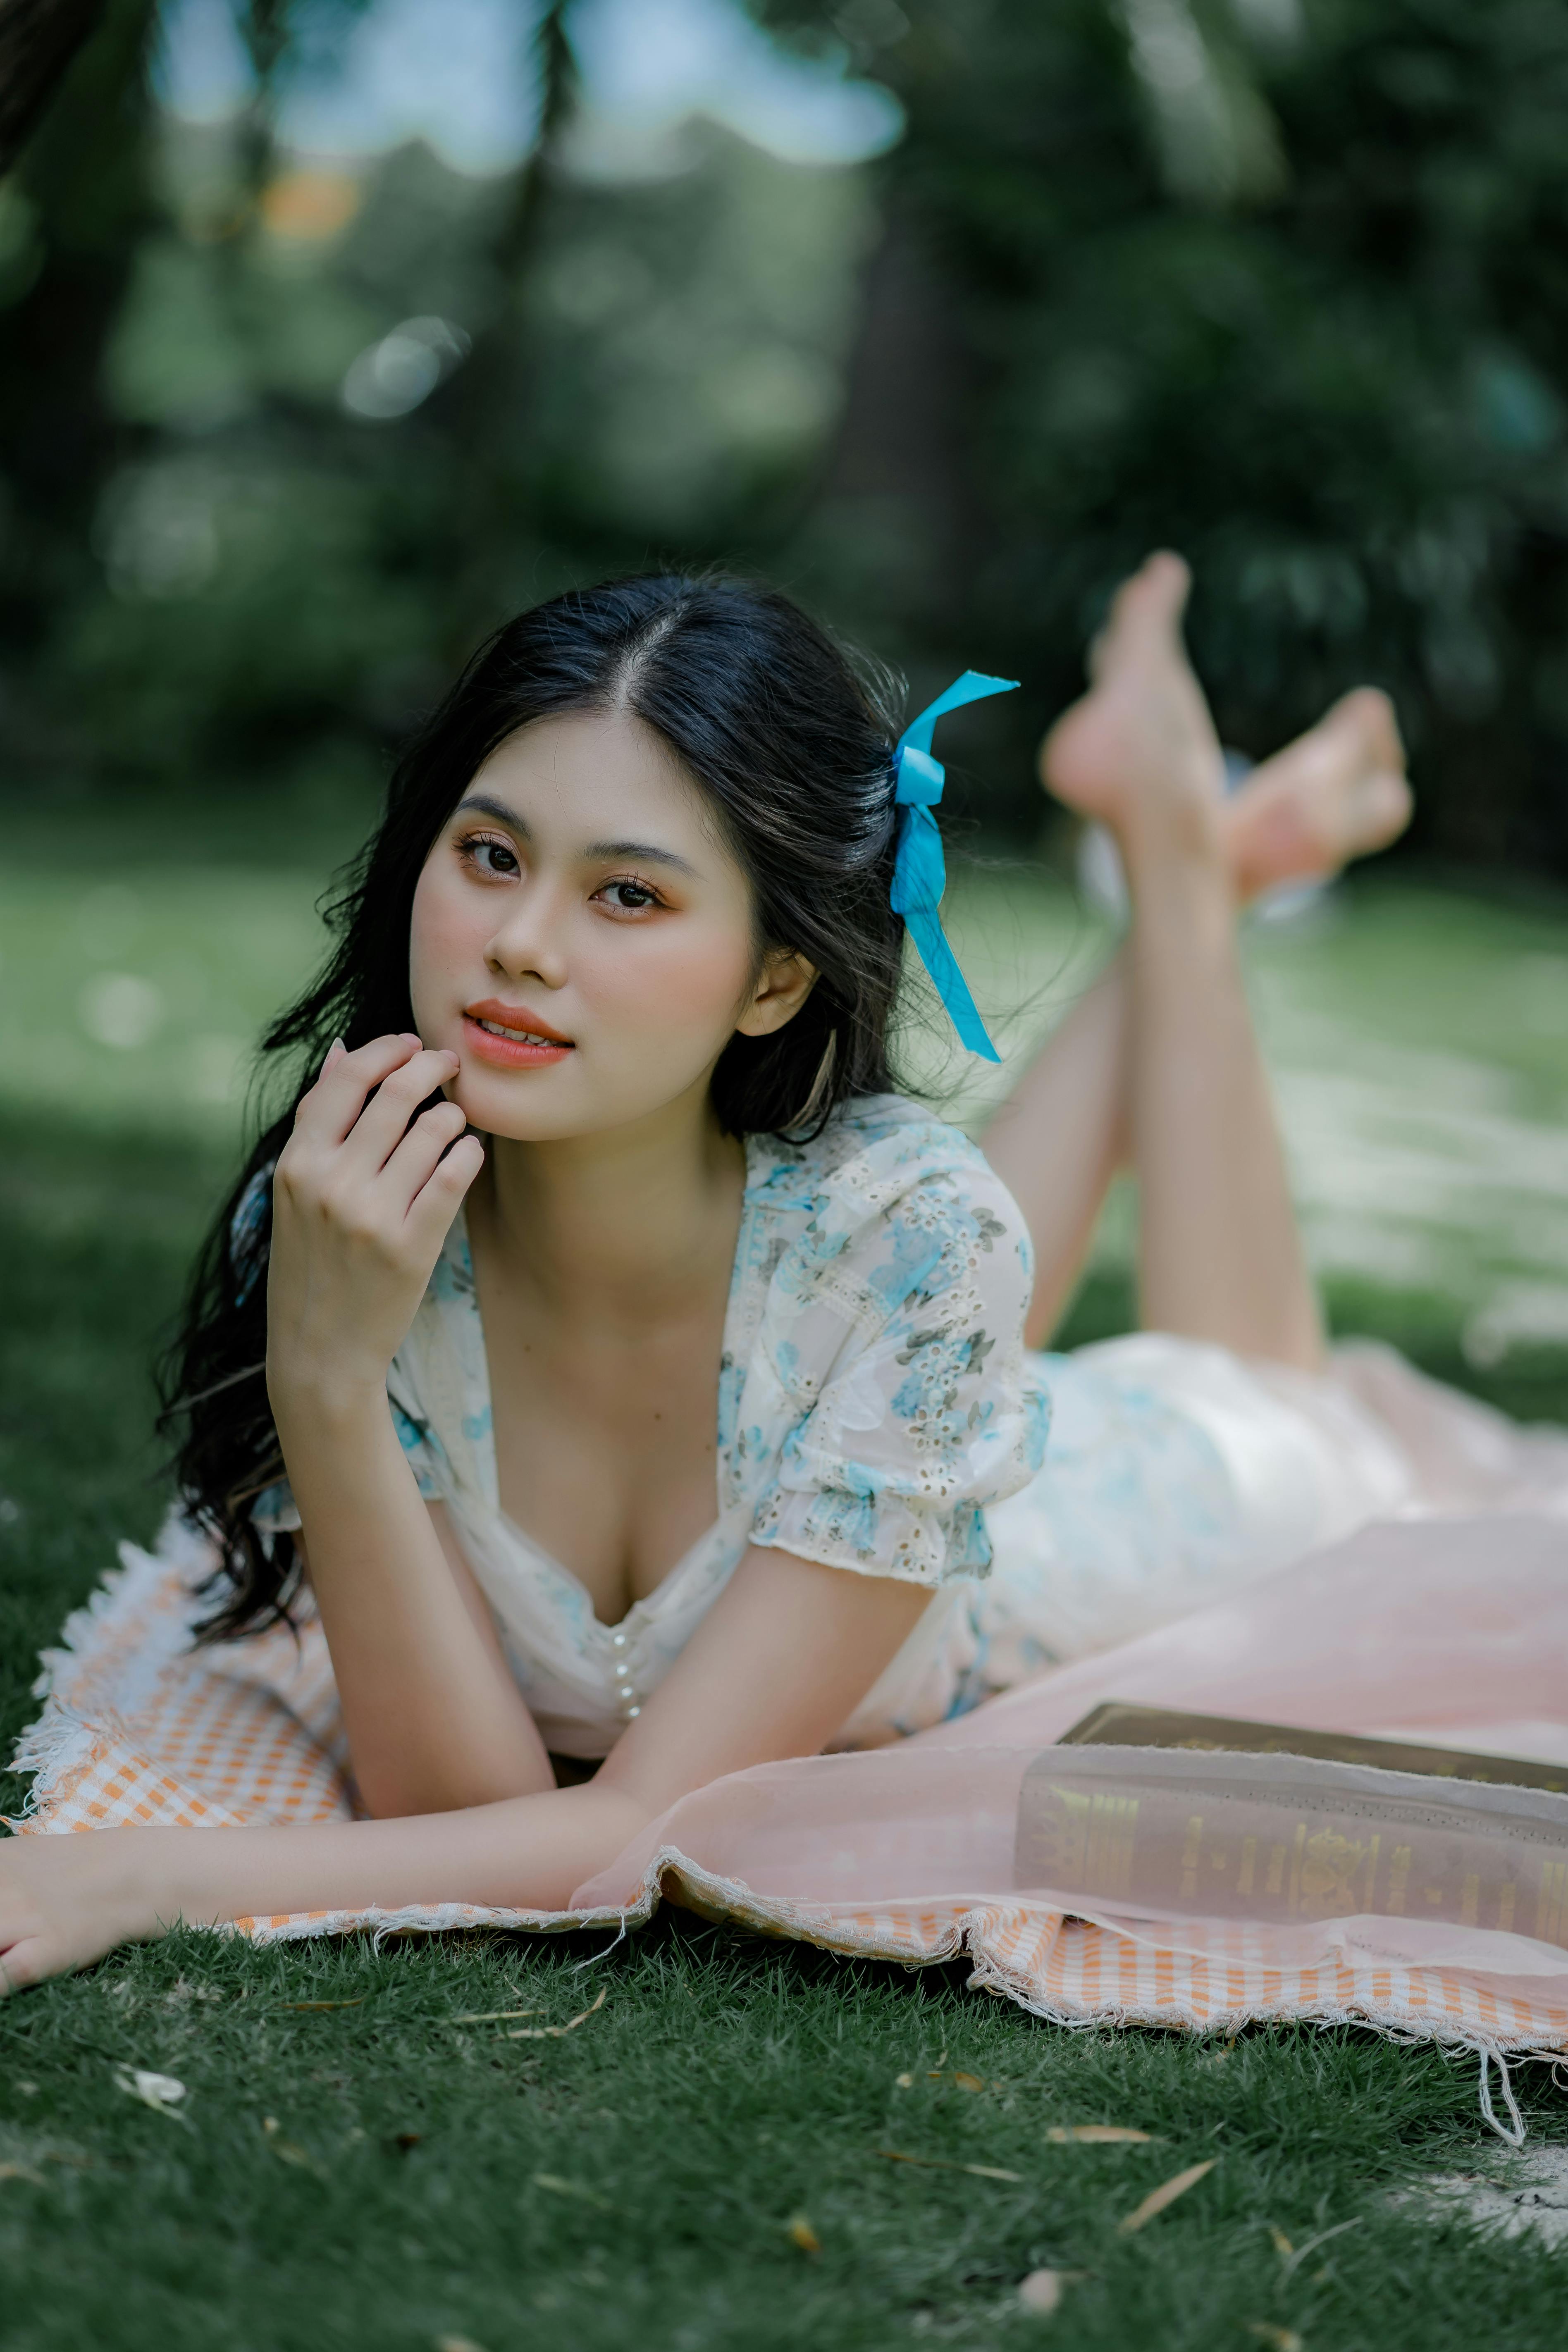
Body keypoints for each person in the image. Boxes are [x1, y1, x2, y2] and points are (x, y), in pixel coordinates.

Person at [0, 556, 1427, 1991]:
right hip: (873, 1337)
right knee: (898, 1238)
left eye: (626, 893)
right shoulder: (354, 1219)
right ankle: (1196, 863)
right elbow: (457, 1813)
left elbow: (627, 1833)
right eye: (490, 855)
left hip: (1151, 1509)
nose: (520, 943)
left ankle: (1183, 862)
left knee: (1264, 1389)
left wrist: (148, 1867)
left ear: (772, 979)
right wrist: (325, 1375)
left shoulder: (917, 1241)